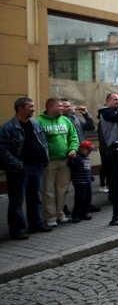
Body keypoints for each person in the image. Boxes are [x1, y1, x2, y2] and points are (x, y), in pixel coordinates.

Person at [0, 97, 51, 240]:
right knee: (17, 200)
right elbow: (2, 150)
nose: (33, 109)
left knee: (35, 197)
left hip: (36, 165)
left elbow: (42, 141)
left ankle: (36, 223)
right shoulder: (8, 127)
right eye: (30, 106)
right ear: (20, 108)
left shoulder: (34, 124)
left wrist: (43, 158)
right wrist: (17, 165)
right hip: (19, 169)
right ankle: (17, 230)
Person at [37, 98, 79, 227]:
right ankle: (50, 217)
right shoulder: (38, 122)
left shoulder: (65, 120)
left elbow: (73, 137)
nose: (63, 108)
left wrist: (73, 149)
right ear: (50, 107)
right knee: (48, 190)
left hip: (64, 160)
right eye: (59, 106)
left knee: (62, 189)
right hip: (48, 162)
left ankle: (60, 213)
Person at [60, 98, 101, 213]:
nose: (69, 108)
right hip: (70, 154)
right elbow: (70, 126)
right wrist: (72, 114)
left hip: (82, 152)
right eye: (65, 106)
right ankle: (62, 207)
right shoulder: (63, 119)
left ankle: (86, 205)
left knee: (86, 180)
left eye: (69, 106)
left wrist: (86, 114)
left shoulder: (76, 118)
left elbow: (90, 127)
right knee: (65, 183)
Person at [97, 93, 118, 206]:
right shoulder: (105, 111)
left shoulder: (113, 111)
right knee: (117, 173)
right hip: (115, 146)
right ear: (108, 101)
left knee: (117, 173)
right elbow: (117, 118)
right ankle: (116, 197)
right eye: (115, 100)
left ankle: (116, 194)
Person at [67, 140, 96, 223]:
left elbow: (88, 169)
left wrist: (91, 176)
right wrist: (71, 158)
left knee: (88, 198)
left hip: (87, 181)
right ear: (82, 149)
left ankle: (84, 213)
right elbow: (71, 165)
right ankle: (75, 215)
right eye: (88, 150)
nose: (89, 152)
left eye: (90, 151)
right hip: (79, 182)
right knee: (79, 199)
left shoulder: (86, 158)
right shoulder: (77, 157)